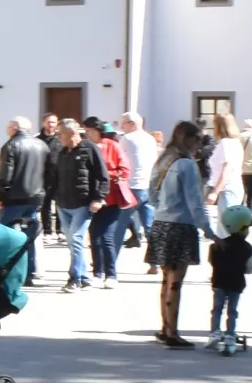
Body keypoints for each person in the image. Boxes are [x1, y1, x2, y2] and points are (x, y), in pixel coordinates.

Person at [147, 121, 213, 348]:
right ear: (189, 139)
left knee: (166, 279)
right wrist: (208, 228)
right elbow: (196, 202)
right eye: (198, 140)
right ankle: (172, 332)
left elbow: (151, 194)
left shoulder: (164, 159)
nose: (200, 145)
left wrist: (163, 207)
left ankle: (166, 327)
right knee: (176, 282)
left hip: (161, 222)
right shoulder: (186, 164)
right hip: (180, 225)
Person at [0, 116, 49, 283]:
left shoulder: (11, 145)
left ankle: (7, 270)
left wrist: (1, 196)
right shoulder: (41, 145)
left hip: (15, 198)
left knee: (6, 234)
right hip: (35, 197)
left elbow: (6, 176)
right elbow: (49, 173)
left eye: (8, 126)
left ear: (14, 128)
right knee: (30, 236)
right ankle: (30, 272)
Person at [53, 120, 105, 290]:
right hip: (63, 204)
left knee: (76, 240)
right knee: (71, 242)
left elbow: (102, 176)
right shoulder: (62, 152)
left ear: (72, 133)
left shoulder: (89, 148)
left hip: (82, 204)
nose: (58, 136)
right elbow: (56, 178)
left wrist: (98, 198)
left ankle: (74, 278)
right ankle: (84, 277)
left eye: (60, 133)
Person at [86, 115, 136, 289]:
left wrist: (106, 175)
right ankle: (97, 273)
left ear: (98, 130)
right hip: (91, 197)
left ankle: (111, 274)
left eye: (90, 130)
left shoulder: (112, 146)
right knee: (94, 234)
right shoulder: (87, 147)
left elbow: (125, 170)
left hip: (111, 197)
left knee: (107, 235)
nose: (87, 134)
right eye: (85, 131)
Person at [206, 202, 252, 352]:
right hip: (236, 283)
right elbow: (249, 268)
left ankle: (215, 332)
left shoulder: (216, 246)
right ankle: (230, 335)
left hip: (218, 281)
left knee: (217, 308)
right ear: (242, 229)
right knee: (232, 310)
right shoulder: (248, 248)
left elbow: (211, 261)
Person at [117, 113, 159, 256]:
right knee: (149, 227)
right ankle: (156, 262)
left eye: (123, 123)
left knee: (119, 226)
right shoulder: (150, 139)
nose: (121, 126)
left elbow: (119, 161)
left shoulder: (126, 139)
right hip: (148, 185)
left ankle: (108, 263)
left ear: (133, 123)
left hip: (132, 186)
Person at [203, 110, 245, 212]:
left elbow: (227, 169)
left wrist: (215, 192)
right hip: (234, 187)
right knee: (230, 224)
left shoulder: (225, 143)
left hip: (227, 189)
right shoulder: (236, 142)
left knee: (226, 226)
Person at [37, 114, 65, 242]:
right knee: (45, 205)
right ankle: (47, 231)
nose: (51, 125)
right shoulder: (38, 140)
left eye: (53, 122)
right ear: (44, 123)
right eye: (48, 122)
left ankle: (61, 231)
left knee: (60, 205)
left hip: (60, 177)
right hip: (43, 177)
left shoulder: (61, 139)